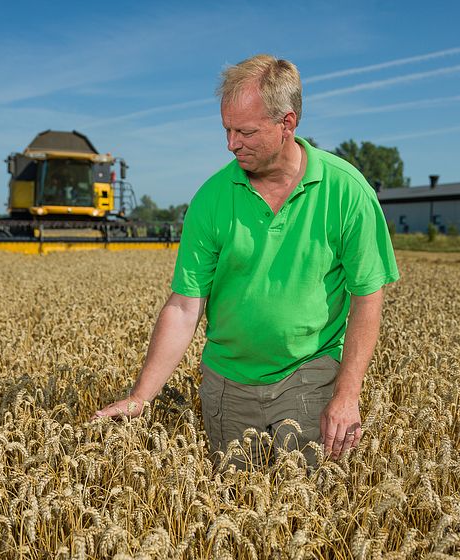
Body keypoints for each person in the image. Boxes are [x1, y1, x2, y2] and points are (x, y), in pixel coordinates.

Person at [94, 54, 399, 467]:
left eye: (246, 131)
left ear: (287, 124)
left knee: (304, 512)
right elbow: (185, 306)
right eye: (227, 129)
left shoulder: (346, 191)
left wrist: (346, 396)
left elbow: (368, 296)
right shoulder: (212, 198)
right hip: (227, 384)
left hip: (308, 373)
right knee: (232, 505)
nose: (231, 143)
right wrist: (140, 397)